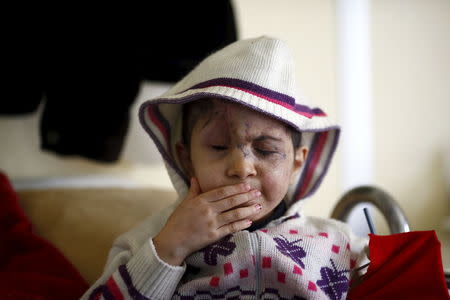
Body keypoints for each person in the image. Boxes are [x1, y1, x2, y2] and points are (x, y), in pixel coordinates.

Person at [81, 36, 368, 300]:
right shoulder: (148, 241)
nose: (242, 168)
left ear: (296, 164)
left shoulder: (338, 242)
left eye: (266, 150)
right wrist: (170, 249)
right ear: (185, 158)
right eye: (219, 146)